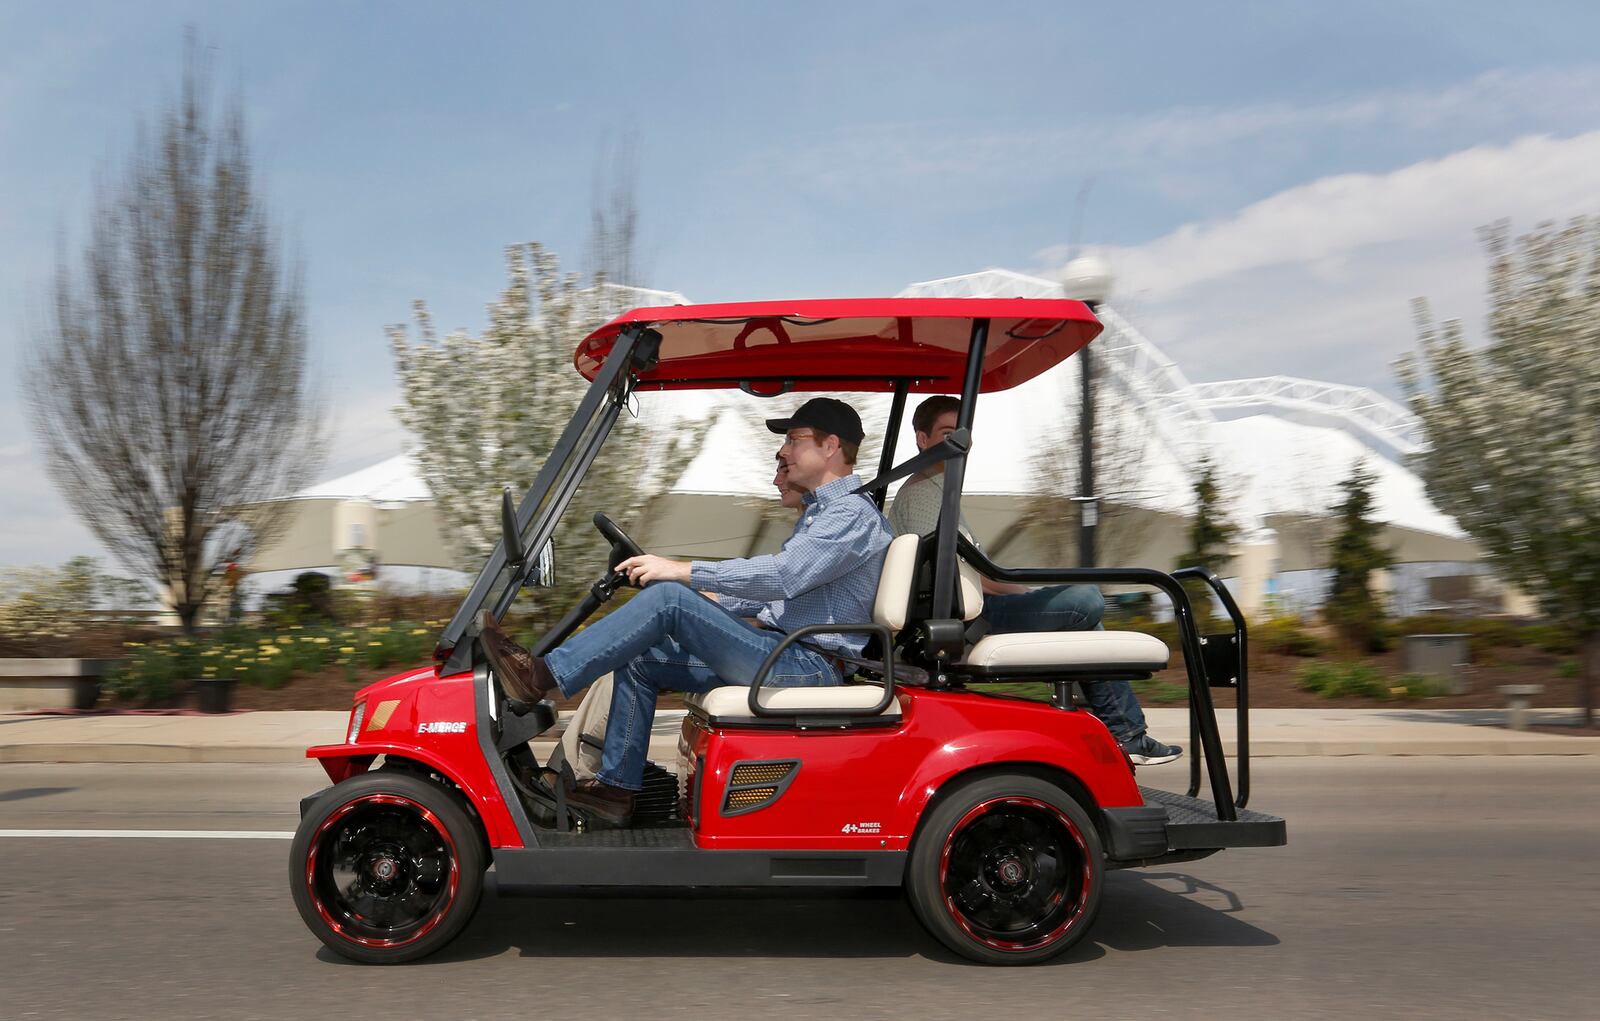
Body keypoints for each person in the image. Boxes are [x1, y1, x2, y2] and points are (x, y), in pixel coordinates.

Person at [480, 397, 894, 823]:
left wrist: (681, 575)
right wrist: (693, 594)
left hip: (807, 665)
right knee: (641, 657)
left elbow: (783, 576)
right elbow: (778, 596)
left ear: (829, 446)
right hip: (784, 653)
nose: (783, 451)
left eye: (793, 439)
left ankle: (541, 677)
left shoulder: (850, 515)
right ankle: (614, 790)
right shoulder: (822, 515)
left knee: (670, 599)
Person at [886, 395, 1182, 765]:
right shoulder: (924, 494)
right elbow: (958, 573)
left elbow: (966, 568)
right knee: (1085, 602)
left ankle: (1123, 732)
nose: (961, 443)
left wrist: (1022, 590)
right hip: (970, 620)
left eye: (962, 434)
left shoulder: (933, 490)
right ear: (922, 439)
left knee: (1084, 621)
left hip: (967, 612)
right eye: (947, 432)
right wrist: (1022, 590)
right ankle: (1125, 732)